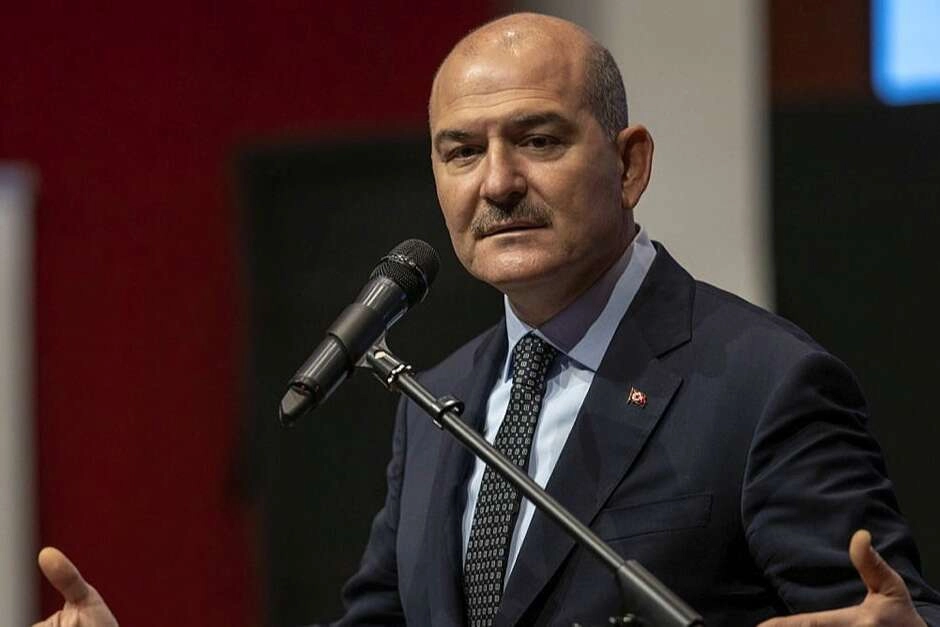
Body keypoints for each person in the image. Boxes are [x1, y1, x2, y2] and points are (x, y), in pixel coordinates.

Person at [35, 12, 940, 627]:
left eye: (538, 140)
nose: (497, 183)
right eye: (462, 151)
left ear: (629, 164)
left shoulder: (764, 383)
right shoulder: (438, 398)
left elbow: (882, 610)